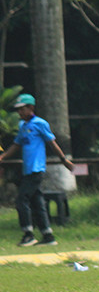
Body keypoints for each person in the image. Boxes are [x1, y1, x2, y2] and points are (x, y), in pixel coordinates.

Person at [0, 93, 74, 246]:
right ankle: (48, 236)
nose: (20, 112)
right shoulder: (23, 126)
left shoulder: (40, 124)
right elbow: (16, 144)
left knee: (21, 200)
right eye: (18, 110)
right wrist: (2, 157)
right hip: (28, 169)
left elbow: (52, 143)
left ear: (31, 108)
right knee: (38, 202)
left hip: (36, 169)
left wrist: (64, 160)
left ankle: (28, 234)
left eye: (22, 109)